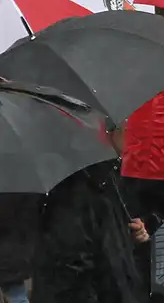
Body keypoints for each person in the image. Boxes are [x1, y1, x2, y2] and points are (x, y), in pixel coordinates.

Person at [30, 127, 151, 303]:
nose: (131, 131)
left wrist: (131, 238)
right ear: (106, 132)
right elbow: (71, 273)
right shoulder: (77, 190)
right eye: (124, 124)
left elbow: (107, 248)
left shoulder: (107, 178)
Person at [0, 195, 41, 303]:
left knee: (16, 293)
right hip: (20, 250)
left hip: (7, 252)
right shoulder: (30, 189)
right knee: (17, 294)